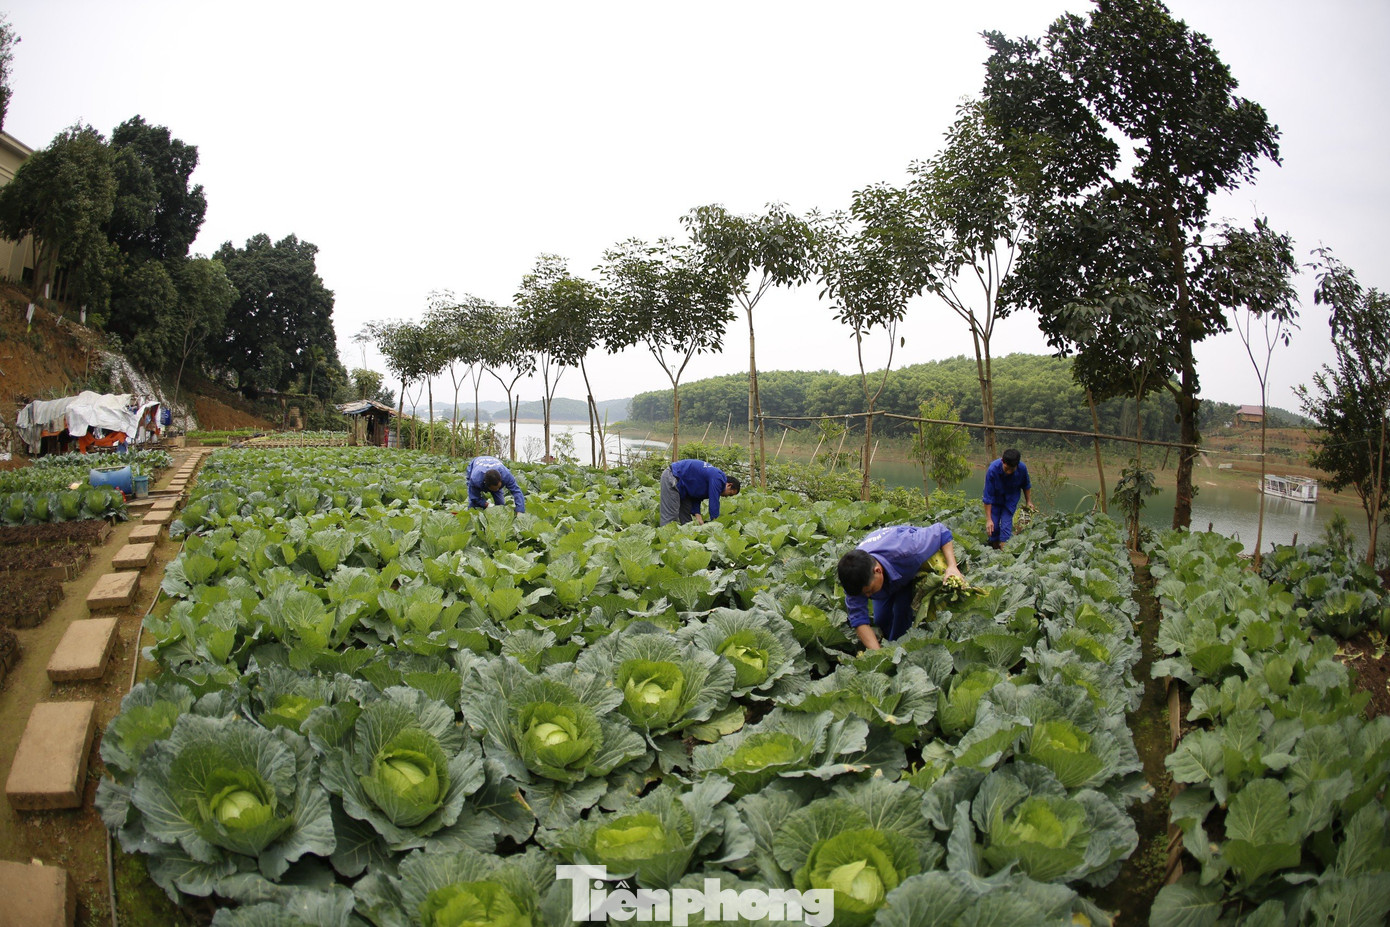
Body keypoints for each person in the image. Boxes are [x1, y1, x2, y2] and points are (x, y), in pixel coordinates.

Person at [837, 523, 963, 650]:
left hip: (904, 570)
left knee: (901, 612)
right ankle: (890, 646)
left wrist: (952, 566)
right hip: (885, 572)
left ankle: (901, 647)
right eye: (864, 594)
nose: (868, 596)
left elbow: (941, 531)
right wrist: (879, 655)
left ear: (878, 571)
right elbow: (859, 620)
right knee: (881, 619)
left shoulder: (909, 549)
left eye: (869, 591)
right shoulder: (853, 578)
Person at [659, 458, 740, 526]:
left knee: (687, 518)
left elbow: (696, 496)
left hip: (685, 487)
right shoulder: (718, 478)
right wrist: (716, 523)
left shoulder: (713, 481)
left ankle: (686, 540)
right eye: (729, 494)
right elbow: (714, 502)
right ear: (729, 485)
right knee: (670, 516)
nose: (726, 497)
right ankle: (665, 541)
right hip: (673, 476)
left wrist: (698, 515)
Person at [983, 447, 1032, 548]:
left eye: (1012, 469)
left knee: (1006, 526)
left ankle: (1004, 552)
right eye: (1006, 469)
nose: (1009, 472)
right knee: (993, 527)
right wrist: (988, 519)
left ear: (1017, 465)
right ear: (1002, 461)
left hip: (1010, 500)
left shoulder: (1022, 468)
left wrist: (1029, 502)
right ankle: (994, 549)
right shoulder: (993, 469)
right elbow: (987, 497)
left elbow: (1026, 485)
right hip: (995, 500)